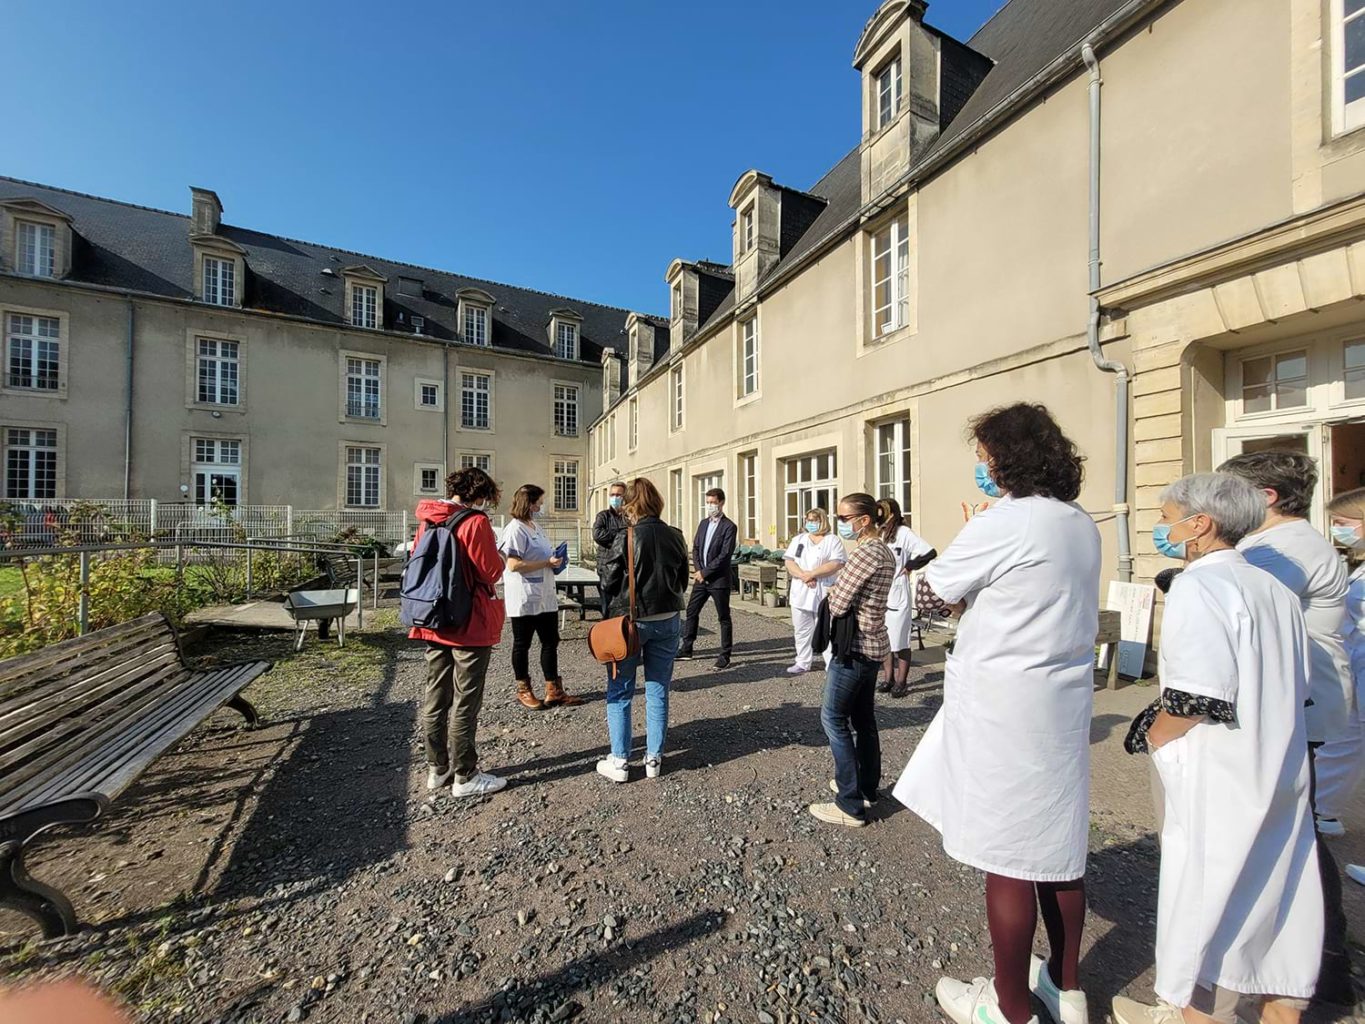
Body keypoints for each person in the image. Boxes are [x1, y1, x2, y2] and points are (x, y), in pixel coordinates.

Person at [896, 403, 1100, 1024]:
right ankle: (1067, 989)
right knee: (1058, 851)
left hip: (1004, 703)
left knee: (1007, 854)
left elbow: (933, 591)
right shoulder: (1078, 521)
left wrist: (952, 597)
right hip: (1061, 700)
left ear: (1006, 458)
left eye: (984, 458)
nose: (981, 468)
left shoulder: (1007, 520)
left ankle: (1008, 1007)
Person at [1113, 472, 1321, 1024]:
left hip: (1219, 770)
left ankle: (1194, 1013)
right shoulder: (1273, 588)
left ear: (1199, 524)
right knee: (1276, 900)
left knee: (1205, 901)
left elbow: (1193, 697)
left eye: (1166, 517)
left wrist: (1151, 738)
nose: (1161, 527)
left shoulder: (1199, 586)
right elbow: (1299, 686)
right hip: (1278, 765)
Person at [1217, 449, 1353, 1006]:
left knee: (1289, 834)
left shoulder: (1280, 550)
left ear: (1264, 498)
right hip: (1296, 700)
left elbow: (1231, 603)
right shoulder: (1281, 545)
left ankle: (1318, 967)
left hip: (1295, 703)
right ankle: (1323, 965)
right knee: (1294, 830)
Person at [408, 467, 508, 798]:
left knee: (435, 698)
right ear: (480, 495)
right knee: (466, 700)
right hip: (469, 624)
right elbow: (490, 570)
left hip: (433, 618)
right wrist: (501, 555)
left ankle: (437, 769)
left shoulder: (428, 518)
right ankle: (465, 775)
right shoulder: (475, 523)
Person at [807, 492, 896, 829]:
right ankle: (866, 787)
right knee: (864, 720)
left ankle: (849, 803)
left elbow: (840, 601)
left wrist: (833, 592)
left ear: (864, 520)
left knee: (833, 718)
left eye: (844, 519)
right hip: (874, 644)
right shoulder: (883, 551)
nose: (841, 523)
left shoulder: (865, 554)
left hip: (856, 646)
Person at [596, 477, 690, 782]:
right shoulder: (675, 535)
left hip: (632, 622)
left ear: (630, 504)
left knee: (621, 688)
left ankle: (621, 760)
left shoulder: (626, 535)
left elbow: (608, 582)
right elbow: (682, 580)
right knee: (658, 687)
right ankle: (654, 758)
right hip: (668, 618)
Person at [498, 484, 584, 711]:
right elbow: (513, 564)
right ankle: (523, 689)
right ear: (530, 502)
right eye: (539, 502)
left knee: (550, 641)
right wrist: (546, 563)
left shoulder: (534, 526)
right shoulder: (515, 529)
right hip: (524, 596)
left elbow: (542, 554)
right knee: (522, 644)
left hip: (545, 594)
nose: (542, 506)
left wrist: (555, 559)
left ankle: (553, 690)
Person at [1315, 487, 1365, 834]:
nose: (1338, 530)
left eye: (1344, 523)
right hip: (1355, 666)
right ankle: (1322, 809)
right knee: (1343, 742)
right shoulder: (1359, 567)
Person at [877, 497, 936, 698]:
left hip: (897, 592)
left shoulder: (903, 533)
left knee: (900, 640)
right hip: (881, 593)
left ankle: (901, 682)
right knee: (884, 639)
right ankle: (888, 678)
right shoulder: (879, 533)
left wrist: (910, 566)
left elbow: (929, 552)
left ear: (891, 514)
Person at [678, 487, 738, 669]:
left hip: (718, 580)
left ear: (721, 503)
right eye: (708, 502)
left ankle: (725, 655)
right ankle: (687, 648)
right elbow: (696, 548)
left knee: (723, 617)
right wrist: (698, 570)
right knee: (691, 611)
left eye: (714, 502)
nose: (711, 505)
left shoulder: (729, 527)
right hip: (701, 579)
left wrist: (706, 572)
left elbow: (725, 555)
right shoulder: (703, 523)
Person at [783, 507, 846, 675]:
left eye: (814, 520)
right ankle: (803, 661)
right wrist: (804, 576)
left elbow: (837, 563)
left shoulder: (832, 540)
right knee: (801, 629)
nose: (810, 523)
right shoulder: (799, 539)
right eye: (808, 520)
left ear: (822, 521)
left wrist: (813, 574)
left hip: (822, 587)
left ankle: (830, 663)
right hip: (801, 588)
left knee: (827, 627)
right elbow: (789, 562)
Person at [592, 482, 629, 616]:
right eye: (612, 494)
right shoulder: (603, 516)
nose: (615, 497)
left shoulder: (630, 517)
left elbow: (636, 536)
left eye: (618, 495)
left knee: (625, 608)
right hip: (607, 568)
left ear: (625, 497)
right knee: (607, 607)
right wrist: (622, 537)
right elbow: (598, 535)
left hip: (626, 569)